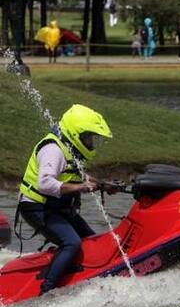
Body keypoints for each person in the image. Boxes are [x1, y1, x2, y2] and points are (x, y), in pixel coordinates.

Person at [16, 104, 113, 295]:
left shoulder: (69, 148)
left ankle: (84, 275)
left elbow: (74, 175)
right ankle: (47, 291)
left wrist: (102, 184)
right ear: (76, 134)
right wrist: (81, 187)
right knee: (71, 242)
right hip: (37, 208)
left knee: (92, 240)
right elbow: (45, 183)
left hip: (56, 208)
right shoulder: (53, 150)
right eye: (88, 137)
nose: (91, 143)